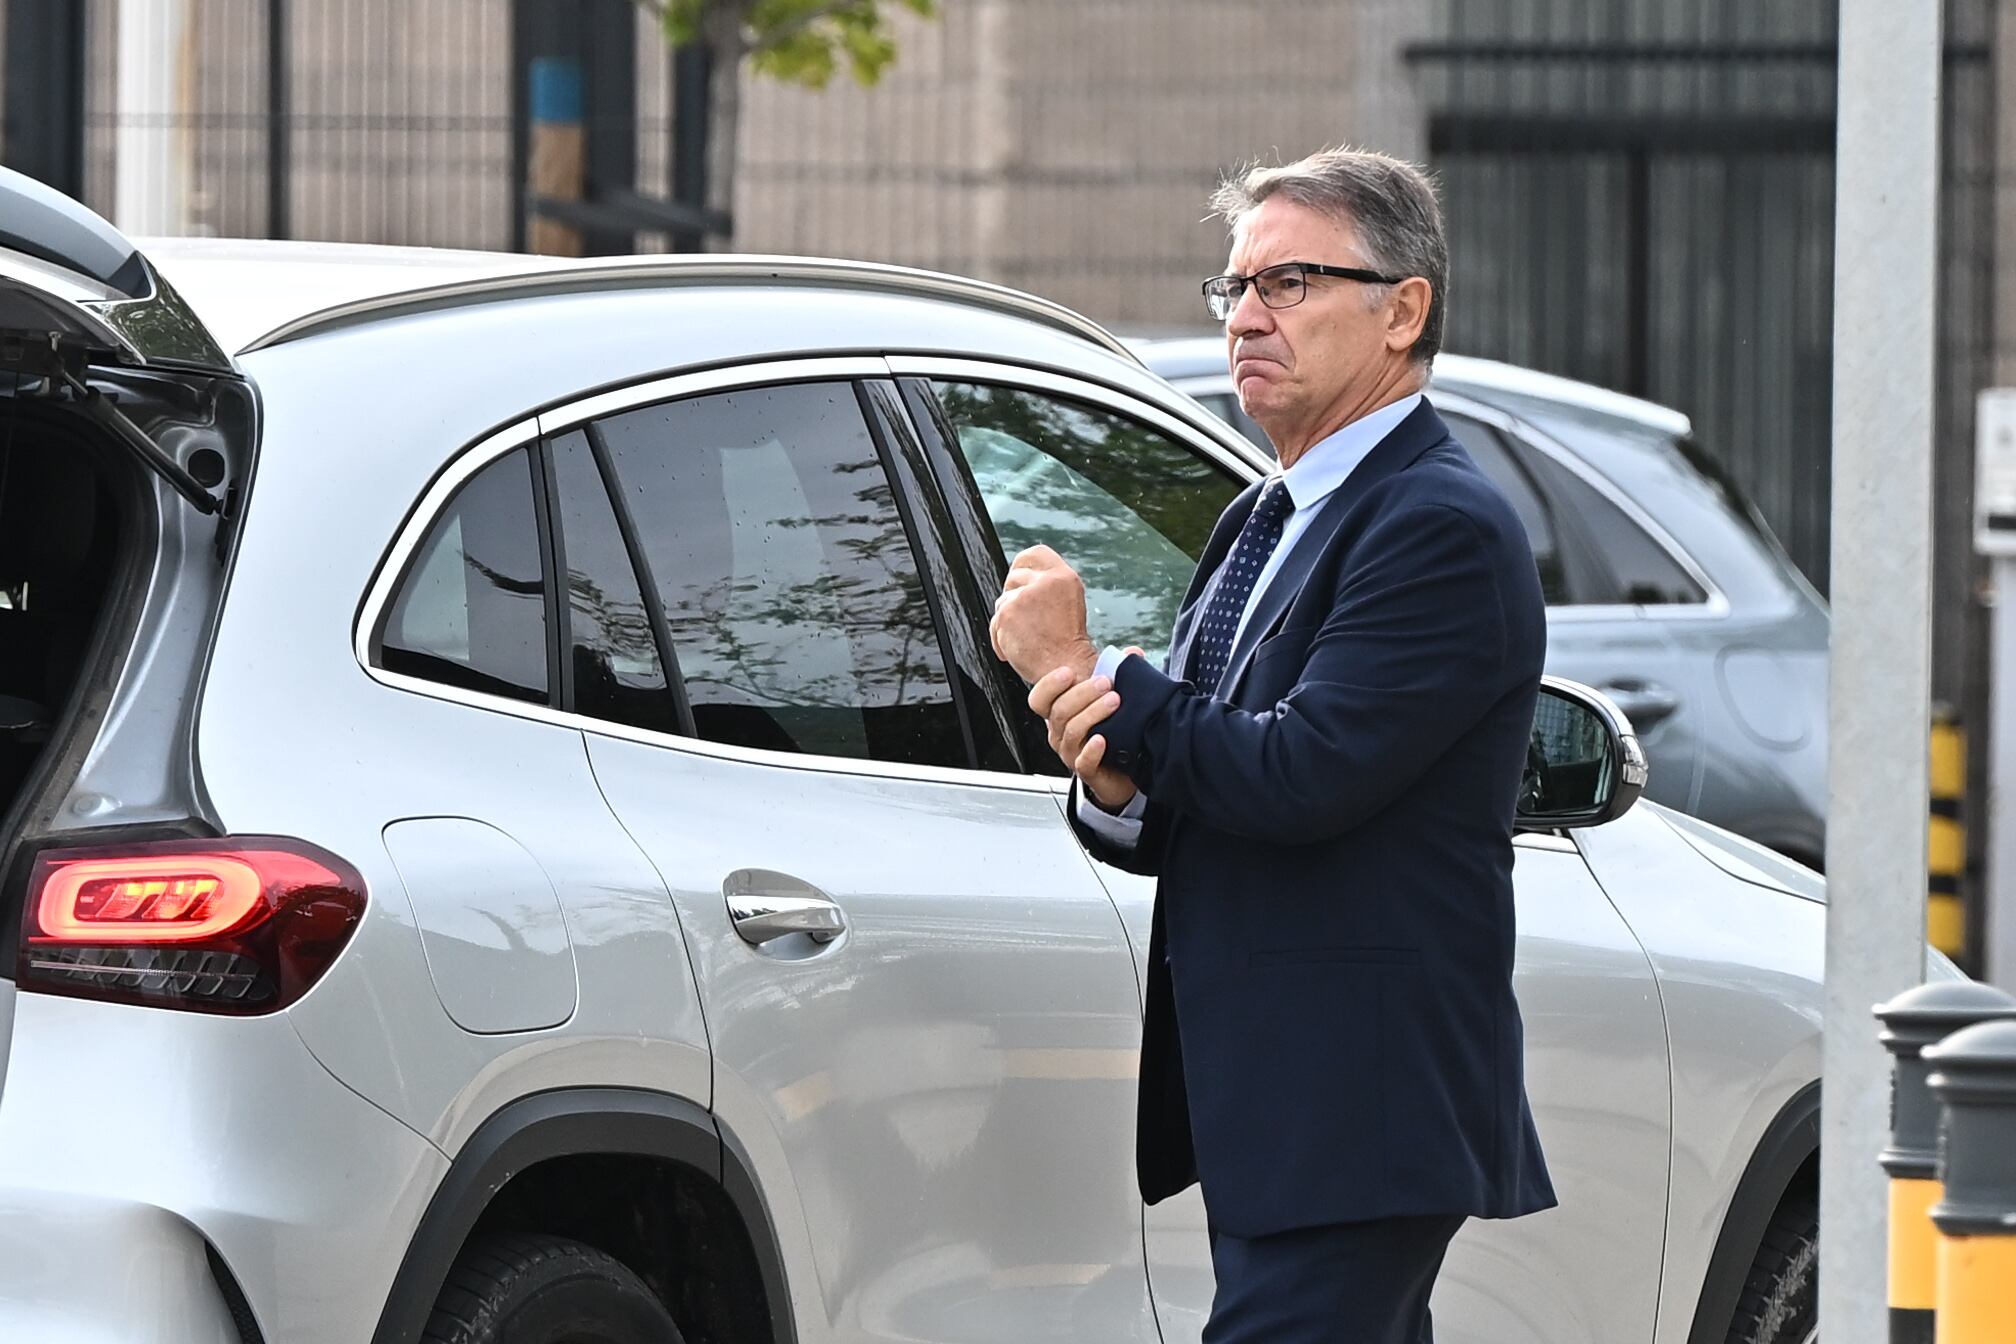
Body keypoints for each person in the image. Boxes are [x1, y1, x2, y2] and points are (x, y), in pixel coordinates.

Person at [987, 147, 1556, 1344]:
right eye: (1235, 288)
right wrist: (1113, 776)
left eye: (1290, 283)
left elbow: (1304, 773)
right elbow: (1213, 770)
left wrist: (1084, 672)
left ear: (1403, 310)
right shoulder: (1265, 512)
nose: (1247, 315)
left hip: (1362, 1100)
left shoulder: (1440, 525)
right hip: (1279, 1095)